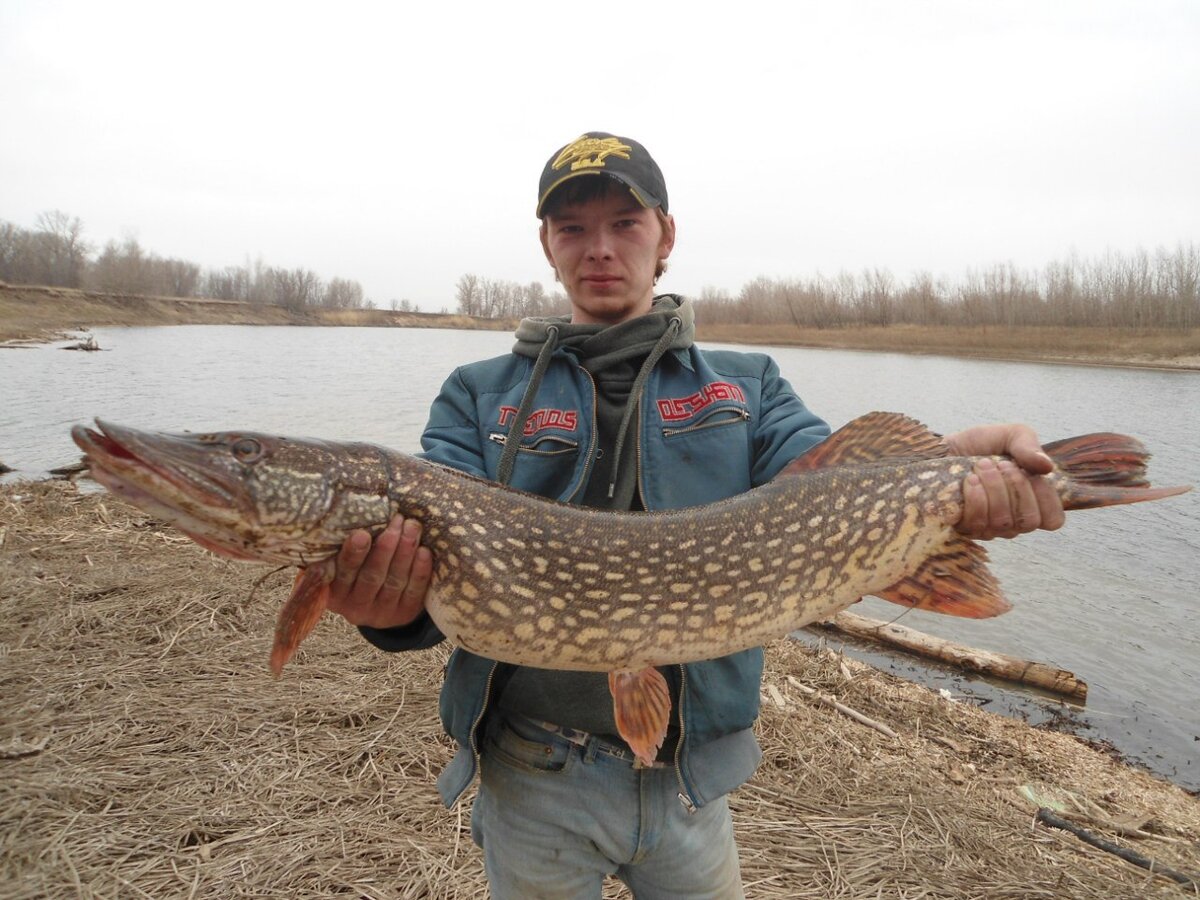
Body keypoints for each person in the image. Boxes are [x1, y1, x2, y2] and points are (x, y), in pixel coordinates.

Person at [324, 132, 1066, 899]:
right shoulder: (477, 395)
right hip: (529, 774)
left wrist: (945, 471)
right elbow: (430, 588)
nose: (599, 248)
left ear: (666, 236)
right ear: (547, 245)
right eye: (572, 228)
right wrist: (383, 610)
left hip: (690, 785)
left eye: (625, 223)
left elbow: (829, 493)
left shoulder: (749, 387)